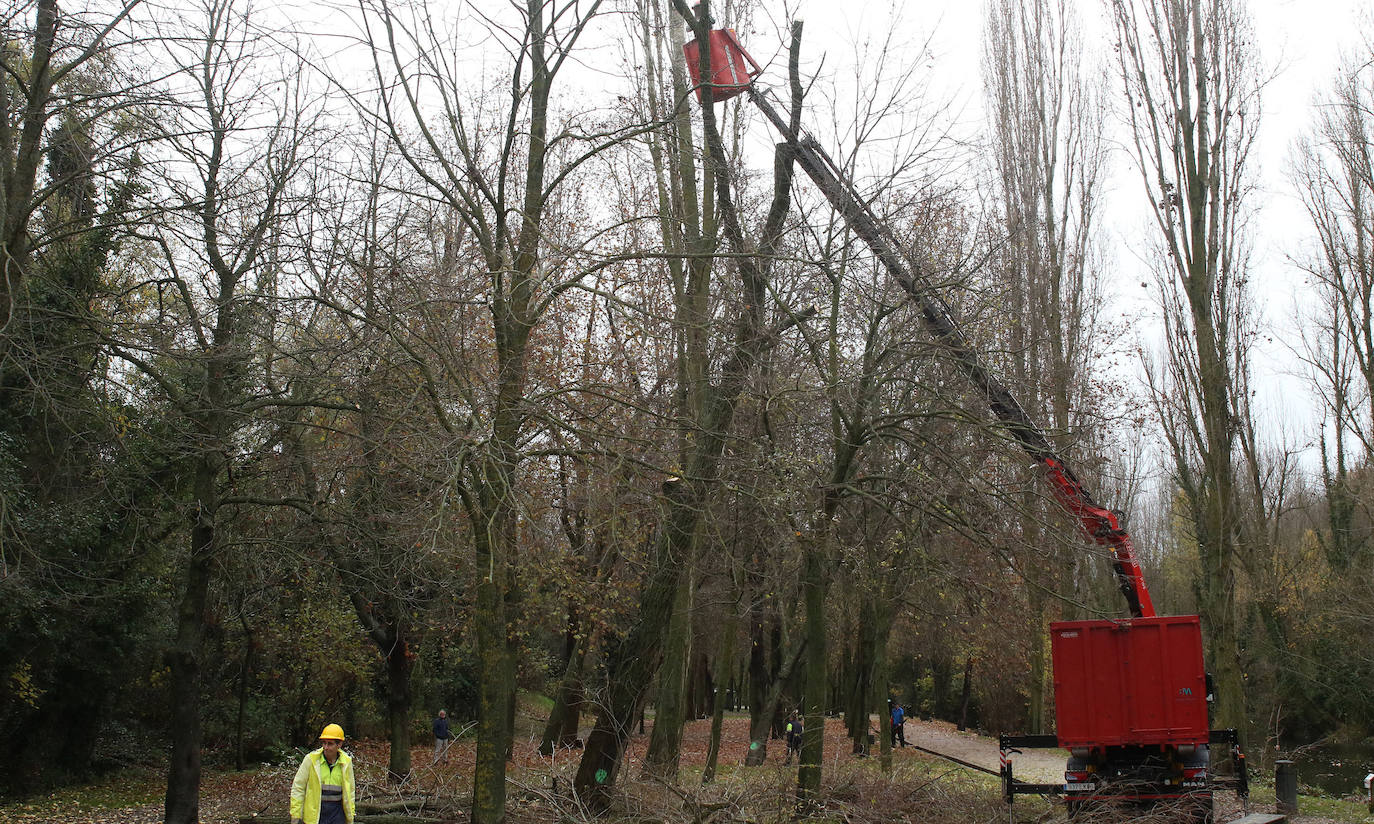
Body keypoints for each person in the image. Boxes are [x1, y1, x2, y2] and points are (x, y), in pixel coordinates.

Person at [290, 723, 355, 824]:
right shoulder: (311, 760)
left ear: (339, 744)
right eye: (324, 743)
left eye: (330, 744)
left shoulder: (346, 762)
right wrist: (296, 815)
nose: (326, 747)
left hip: (337, 815)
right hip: (316, 815)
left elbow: (350, 791)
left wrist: (350, 815)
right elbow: (298, 787)